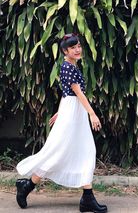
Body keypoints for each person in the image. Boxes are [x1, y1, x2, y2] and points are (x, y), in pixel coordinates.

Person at [15, 33, 107, 213]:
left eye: (78, 46)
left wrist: (61, 112)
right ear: (65, 51)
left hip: (72, 112)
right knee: (60, 153)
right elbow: (77, 94)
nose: (78, 49)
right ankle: (26, 186)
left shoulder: (70, 65)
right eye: (73, 48)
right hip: (75, 114)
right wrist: (92, 114)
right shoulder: (68, 68)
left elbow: (67, 94)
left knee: (82, 151)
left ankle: (87, 198)